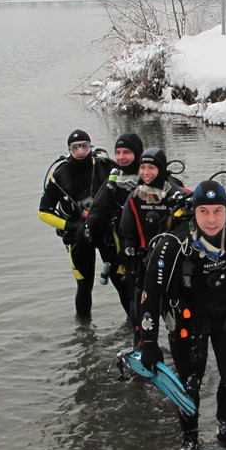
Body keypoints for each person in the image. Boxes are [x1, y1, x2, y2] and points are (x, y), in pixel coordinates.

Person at [135, 180, 226, 450]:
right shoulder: (173, 243)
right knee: (190, 383)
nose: (211, 219)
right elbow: (150, 295)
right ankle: (190, 438)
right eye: (204, 211)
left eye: (217, 211)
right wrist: (148, 342)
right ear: (195, 212)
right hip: (187, 322)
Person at [38, 129, 115, 320]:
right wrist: (72, 227)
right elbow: (43, 212)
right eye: (75, 148)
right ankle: (84, 331)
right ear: (69, 150)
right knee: (84, 286)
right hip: (77, 237)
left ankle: (135, 328)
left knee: (122, 281)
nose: (80, 152)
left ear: (91, 147)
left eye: (84, 147)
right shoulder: (60, 175)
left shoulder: (105, 167)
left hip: (106, 233)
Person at [118, 147, 189, 323]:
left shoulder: (179, 196)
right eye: (142, 168)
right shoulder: (134, 198)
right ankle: (141, 339)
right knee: (140, 314)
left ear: (162, 169)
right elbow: (127, 234)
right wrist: (129, 263)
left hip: (173, 265)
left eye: (151, 168)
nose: (146, 173)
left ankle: (177, 338)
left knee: (178, 315)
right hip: (144, 264)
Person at [86, 133, 144, 316]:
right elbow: (97, 210)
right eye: (118, 152)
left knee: (144, 302)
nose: (121, 157)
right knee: (127, 298)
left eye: (126, 152)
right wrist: (89, 227)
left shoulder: (151, 178)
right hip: (116, 253)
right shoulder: (112, 182)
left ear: (137, 154)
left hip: (143, 254)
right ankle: (133, 328)